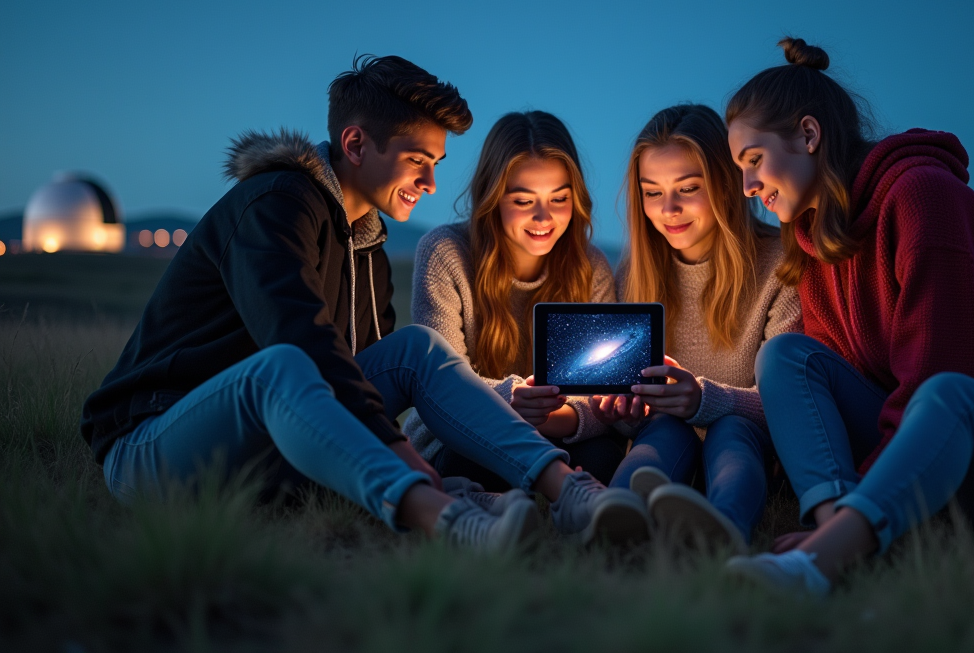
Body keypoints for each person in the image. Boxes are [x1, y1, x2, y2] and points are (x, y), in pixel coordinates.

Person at [80, 55, 649, 550]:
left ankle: (568, 490)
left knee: (414, 350)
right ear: (355, 144)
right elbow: (302, 345)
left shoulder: (366, 237)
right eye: (417, 159)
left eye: (436, 165)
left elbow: (365, 376)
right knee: (285, 366)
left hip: (278, 442)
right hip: (157, 446)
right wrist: (405, 455)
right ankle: (449, 519)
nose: (429, 183)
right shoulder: (275, 206)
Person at [722, 39, 974, 593]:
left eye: (753, 161)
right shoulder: (818, 242)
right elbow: (845, 388)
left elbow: (938, 376)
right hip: (943, 460)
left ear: (809, 135)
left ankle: (824, 558)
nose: (747, 187)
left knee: (949, 394)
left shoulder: (922, 198)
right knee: (787, 356)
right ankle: (836, 531)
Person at [550, 104, 803, 551]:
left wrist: (704, 399)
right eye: (652, 192)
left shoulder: (779, 263)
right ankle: (615, 519)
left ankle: (722, 531)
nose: (669, 209)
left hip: (748, 441)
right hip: (666, 441)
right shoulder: (636, 272)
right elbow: (622, 397)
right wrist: (619, 409)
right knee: (662, 431)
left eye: (688, 188)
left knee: (729, 431)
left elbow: (793, 403)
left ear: (726, 183)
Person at [403, 111, 628, 489]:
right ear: (493, 197)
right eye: (524, 200)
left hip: (558, 431)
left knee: (604, 459)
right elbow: (440, 389)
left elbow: (598, 395)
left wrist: (556, 416)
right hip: (464, 435)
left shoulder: (590, 266)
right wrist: (512, 398)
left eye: (559, 198)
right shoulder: (445, 253)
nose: (544, 217)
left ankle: (578, 519)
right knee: (470, 464)